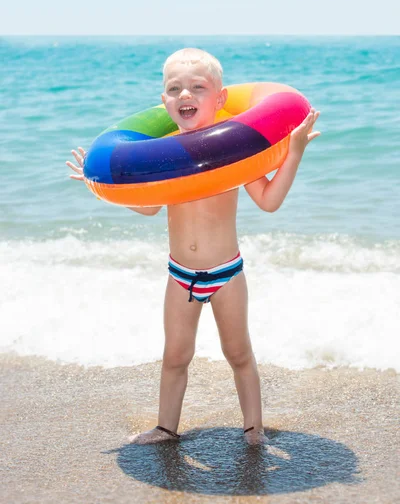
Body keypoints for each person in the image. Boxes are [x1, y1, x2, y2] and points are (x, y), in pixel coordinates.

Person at [66, 48, 320, 445]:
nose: (185, 94)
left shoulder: (234, 149)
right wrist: (97, 185)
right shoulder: (165, 154)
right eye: (174, 88)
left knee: (238, 354)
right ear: (164, 101)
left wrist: (295, 152)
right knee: (175, 357)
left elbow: (269, 201)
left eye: (197, 88)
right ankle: (166, 428)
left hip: (226, 274)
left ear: (220, 98)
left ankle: (254, 430)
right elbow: (149, 208)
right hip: (180, 275)